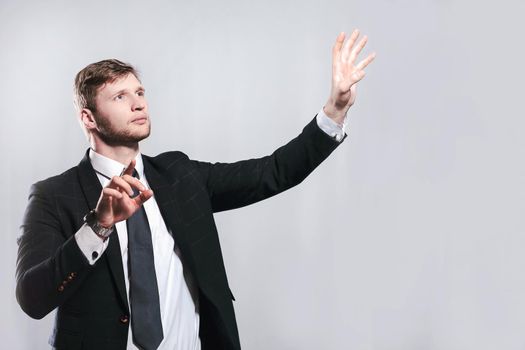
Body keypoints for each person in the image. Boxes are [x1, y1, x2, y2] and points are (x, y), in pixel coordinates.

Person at [15, 30, 375, 350]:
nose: (139, 102)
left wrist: (335, 110)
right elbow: (33, 298)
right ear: (88, 118)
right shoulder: (52, 195)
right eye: (120, 97)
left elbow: (274, 172)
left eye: (139, 92)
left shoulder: (179, 174)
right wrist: (98, 225)